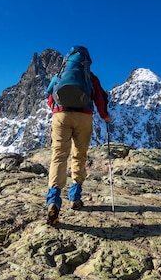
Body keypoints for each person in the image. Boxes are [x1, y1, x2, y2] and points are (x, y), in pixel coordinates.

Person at [45, 47, 111, 225]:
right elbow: (100, 99)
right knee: (79, 155)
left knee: (59, 156)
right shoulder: (90, 77)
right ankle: (75, 197)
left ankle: (53, 201)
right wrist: (105, 116)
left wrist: (57, 110)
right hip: (84, 117)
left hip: (61, 115)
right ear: (87, 62)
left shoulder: (59, 75)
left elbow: (49, 96)